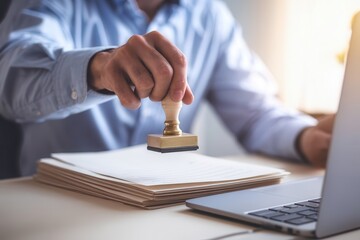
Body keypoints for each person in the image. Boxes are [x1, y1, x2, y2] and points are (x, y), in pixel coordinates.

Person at [0, 0, 333, 177]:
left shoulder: (210, 14)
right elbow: (9, 84)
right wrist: (98, 68)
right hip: (61, 209)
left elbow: (255, 112)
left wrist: (306, 139)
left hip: (169, 211)